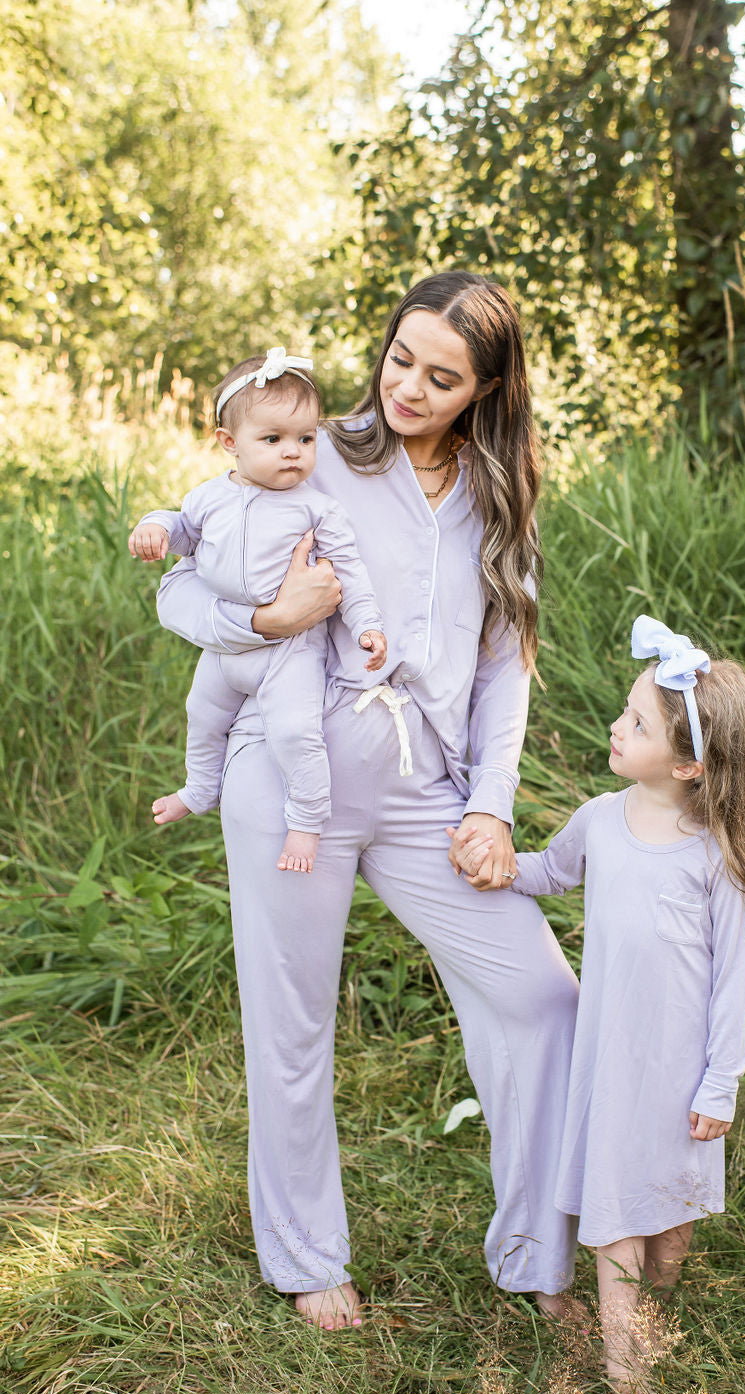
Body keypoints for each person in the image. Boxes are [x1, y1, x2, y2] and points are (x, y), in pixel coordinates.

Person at [152, 272, 581, 1330]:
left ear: (486, 390)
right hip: (288, 770)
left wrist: (490, 805)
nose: (409, 389)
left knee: (540, 996)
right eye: (400, 359)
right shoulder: (314, 452)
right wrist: (267, 618)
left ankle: (537, 1252)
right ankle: (307, 1256)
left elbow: (504, 668)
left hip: (424, 787)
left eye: (442, 378)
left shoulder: (499, 497)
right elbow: (178, 585)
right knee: (292, 1017)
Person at [451, 615, 745, 1394]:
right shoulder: (602, 818)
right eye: (626, 712)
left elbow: (730, 982)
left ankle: (653, 1312)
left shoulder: (716, 859)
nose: (616, 726)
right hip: (610, 1061)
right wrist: (499, 866)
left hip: (680, 1073)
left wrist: (720, 1083)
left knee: (669, 1231)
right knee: (616, 1214)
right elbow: (550, 871)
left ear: (689, 765)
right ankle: (624, 1370)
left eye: (636, 723)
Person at [128, 349, 387, 875]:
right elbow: (182, 530)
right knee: (202, 715)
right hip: (226, 648)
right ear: (230, 443)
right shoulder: (208, 498)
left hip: (290, 651)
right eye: (273, 439)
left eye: (306, 439)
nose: (293, 452)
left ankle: (307, 821)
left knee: (295, 732)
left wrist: (368, 625)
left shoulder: (317, 508)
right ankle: (199, 789)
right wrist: (155, 526)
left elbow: (351, 573)